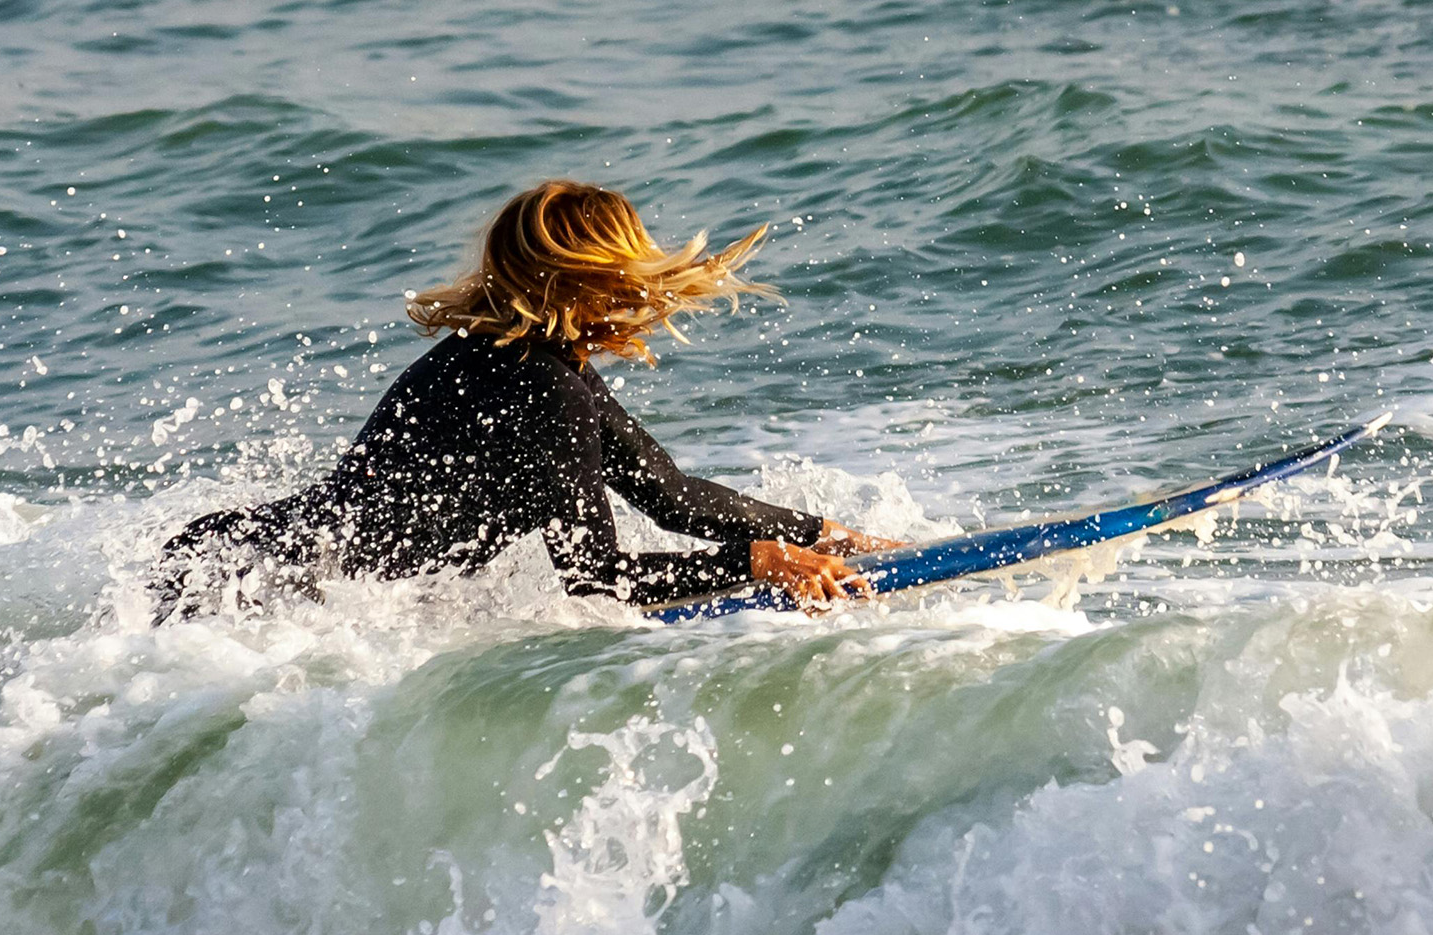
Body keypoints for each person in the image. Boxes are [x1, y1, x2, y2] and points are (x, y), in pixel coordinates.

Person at [152, 180, 898, 618]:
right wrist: (760, 561)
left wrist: (824, 532)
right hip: (252, 585)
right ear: (588, 278)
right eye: (630, 265)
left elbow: (672, 498)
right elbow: (597, 578)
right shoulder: (542, 388)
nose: (645, 284)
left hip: (240, 567)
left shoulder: (530, 365)